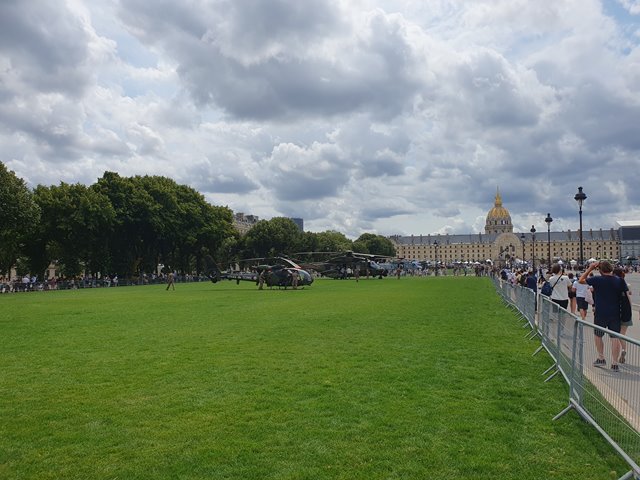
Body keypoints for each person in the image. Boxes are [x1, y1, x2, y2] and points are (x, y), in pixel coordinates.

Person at [579, 261, 627, 372]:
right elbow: (625, 295)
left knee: (598, 335)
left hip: (600, 312)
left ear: (600, 270)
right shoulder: (619, 280)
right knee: (615, 338)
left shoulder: (597, 279)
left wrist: (590, 268)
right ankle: (614, 363)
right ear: (611, 268)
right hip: (615, 313)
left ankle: (601, 358)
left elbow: (581, 280)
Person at [613, 268, 633, 364]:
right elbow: (629, 297)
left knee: (616, 334)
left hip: (616, 311)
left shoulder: (613, 285)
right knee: (623, 333)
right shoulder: (627, 285)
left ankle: (615, 357)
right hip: (627, 311)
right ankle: (624, 349)